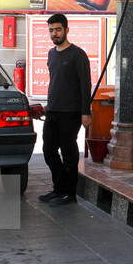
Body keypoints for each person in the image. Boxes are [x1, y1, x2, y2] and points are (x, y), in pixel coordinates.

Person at [39, 13, 92, 206]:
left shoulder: (77, 54)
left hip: (72, 112)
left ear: (66, 30)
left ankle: (69, 193)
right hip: (53, 110)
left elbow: (86, 85)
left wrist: (86, 112)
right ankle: (59, 188)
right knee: (48, 150)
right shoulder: (51, 54)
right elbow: (56, 81)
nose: (54, 33)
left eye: (58, 29)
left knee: (69, 153)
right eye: (51, 30)